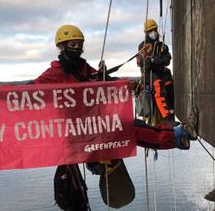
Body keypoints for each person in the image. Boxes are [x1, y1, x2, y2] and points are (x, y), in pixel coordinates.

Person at [31, 24, 197, 150]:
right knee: (134, 132)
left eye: (79, 45)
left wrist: (125, 83)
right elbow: (28, 91)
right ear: (61, 46)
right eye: (73, 45)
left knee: (138, 127)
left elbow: (106, 80)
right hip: (81, 127)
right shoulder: (55, 72)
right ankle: (180, 136)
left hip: (96, 121)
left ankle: (178, 137)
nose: (77, 49)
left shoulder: (83, 68)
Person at [136, 19, 175, 123]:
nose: (153, 33)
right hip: (150, 74)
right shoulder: (143, 46)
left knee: (169, 84)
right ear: (146, 33)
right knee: (158, 86)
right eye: (150, 31)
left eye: (154, 30)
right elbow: (141, 63)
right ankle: (167, 117)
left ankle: (171, 110)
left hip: (161, 71)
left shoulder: (162, 46)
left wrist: (155, 60)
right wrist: (149, 60)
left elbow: (167, 60)